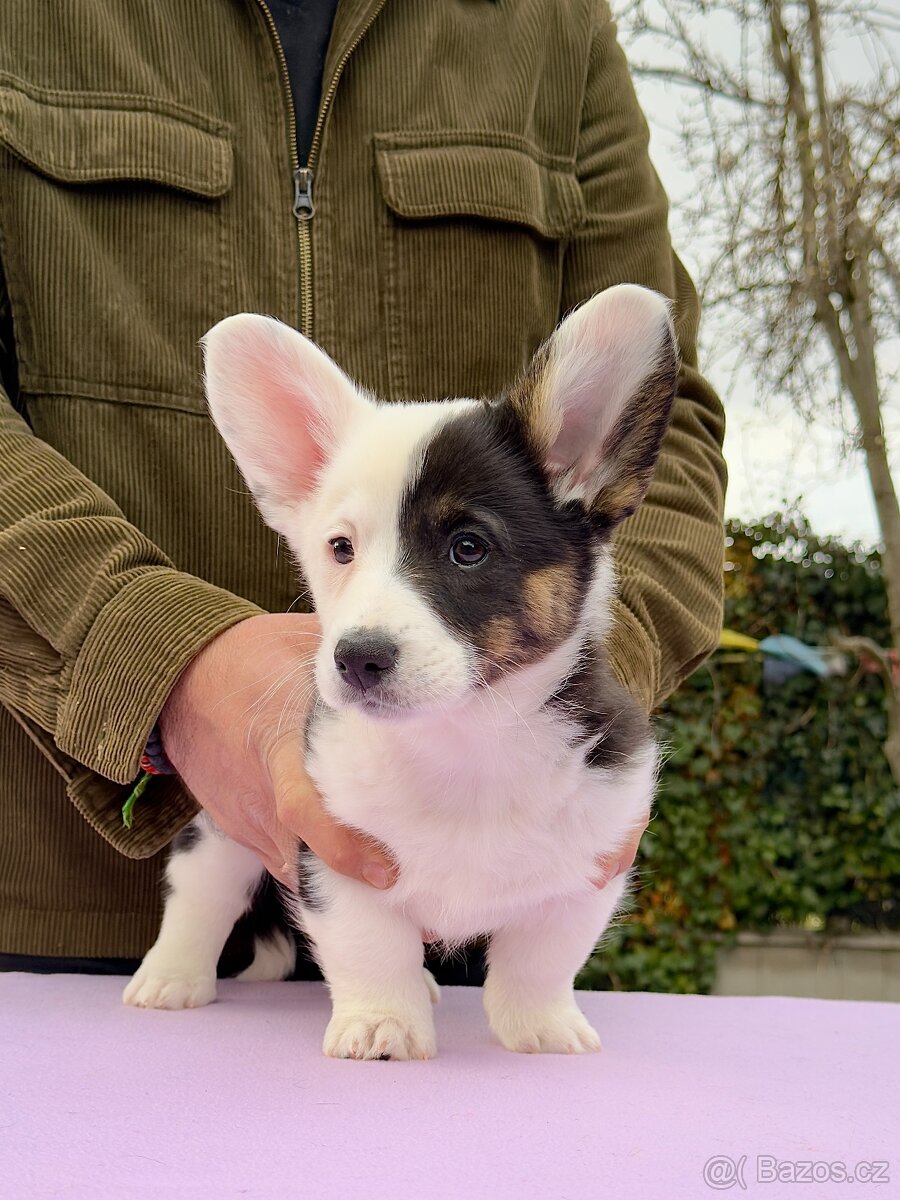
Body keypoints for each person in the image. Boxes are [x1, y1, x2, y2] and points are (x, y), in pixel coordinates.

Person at [0, 0, 725, 981]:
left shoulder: (557, 25)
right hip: (57, 904)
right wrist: (163, 662)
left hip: (481, 913)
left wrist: (562, 699)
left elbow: (666, 431)